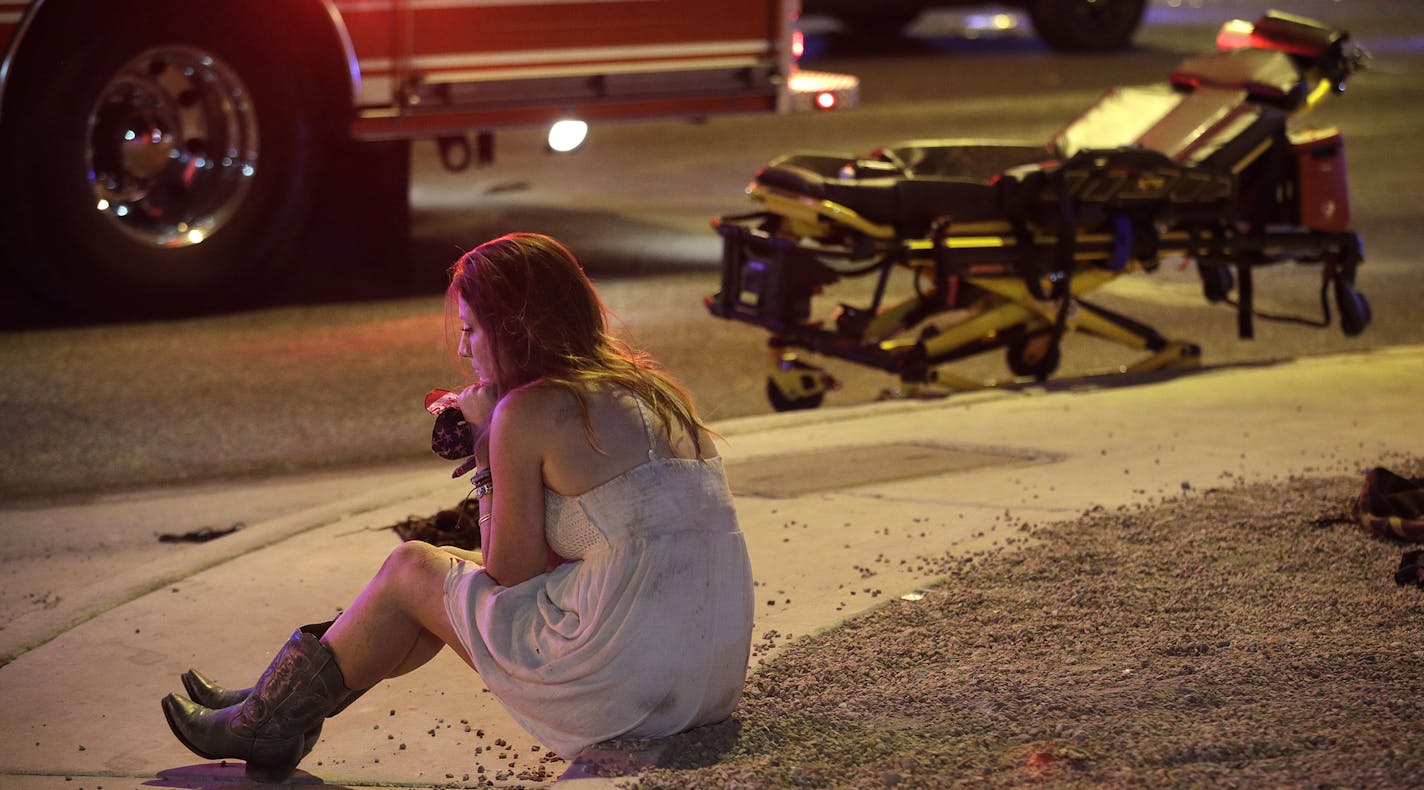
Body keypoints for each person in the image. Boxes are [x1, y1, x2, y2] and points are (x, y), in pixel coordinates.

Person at [161, 232, 756, 782]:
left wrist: (486, 451)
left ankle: (268, 717)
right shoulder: (653, 392)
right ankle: (269, 711)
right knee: (435, 578)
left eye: (472, 329)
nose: (463, 349)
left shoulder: (527, 412)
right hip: (707, 679)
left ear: (516, 326)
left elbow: (509, 577)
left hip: (622, 686)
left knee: (412, 569)